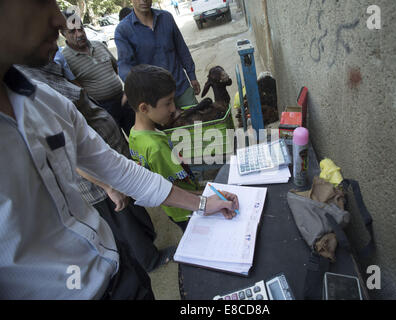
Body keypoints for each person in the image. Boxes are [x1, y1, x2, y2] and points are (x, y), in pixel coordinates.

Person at [0, 0, 239, 299]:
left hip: (118, 271)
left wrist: (204, 203)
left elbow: (117, 168)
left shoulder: (46, 101)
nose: (61, 20)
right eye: (40, 3)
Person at [15, 55, 176, 272]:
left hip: (111, 165)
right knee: (124, 223)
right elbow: (66, 153)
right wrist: (108, 186)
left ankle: (148, 242)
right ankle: (149, 260)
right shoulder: (28, 86)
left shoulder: (45, 68)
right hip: (98, 182)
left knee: (133, 213)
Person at [126, 65, 201, 232]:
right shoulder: (156, 147)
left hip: (173, 209)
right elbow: (174, 188)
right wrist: (205, 197)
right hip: (186, 209)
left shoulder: (134, 134)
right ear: (144, 108)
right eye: (167, 103)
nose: (173, 108)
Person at [115, 0, 201, 109]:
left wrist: (192, 75)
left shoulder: (166, 18)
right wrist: (133, 86)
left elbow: (182, 49)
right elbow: (125, 65)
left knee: (198, 123)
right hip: (155, 98)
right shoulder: (123, 30)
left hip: (181, 87)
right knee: (170, 126)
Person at [60, 12, 135, 136]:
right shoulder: (65, 59)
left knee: (137, 137)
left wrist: (128, 90)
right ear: (63, 34)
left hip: (123, 100)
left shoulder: (99, 45)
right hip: (102, 110)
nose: (79, 34)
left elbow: (118, 68)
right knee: (118, 145)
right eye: (72, 32)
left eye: (81, 29)